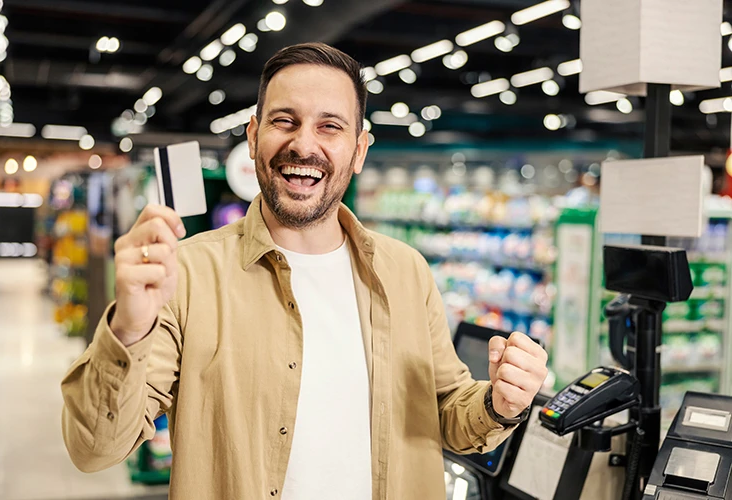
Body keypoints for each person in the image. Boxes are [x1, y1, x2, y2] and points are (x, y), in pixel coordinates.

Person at [61, 42, 549, 500]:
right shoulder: (187, 274)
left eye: (330, 126)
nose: (303, 144)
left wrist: (496, 404)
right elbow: (96, 448)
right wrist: (129, 328)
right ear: (254, 138)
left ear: (358, 151)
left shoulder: (406, 271)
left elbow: (445, 409)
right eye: (284, 120)